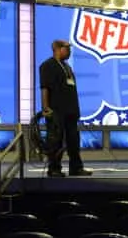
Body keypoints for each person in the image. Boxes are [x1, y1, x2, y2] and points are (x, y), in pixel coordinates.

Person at [39, 40, 91, 178]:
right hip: (56, 110)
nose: (69, 51)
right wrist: (45, 107)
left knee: (73, 141)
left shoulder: (67, 67)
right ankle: (54, 169)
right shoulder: (48, 65)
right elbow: (45, 88)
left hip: (71, 112)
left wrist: (76, 110)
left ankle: (76, 168)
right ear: (57, 49)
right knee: (56, 141)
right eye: (67, 49)